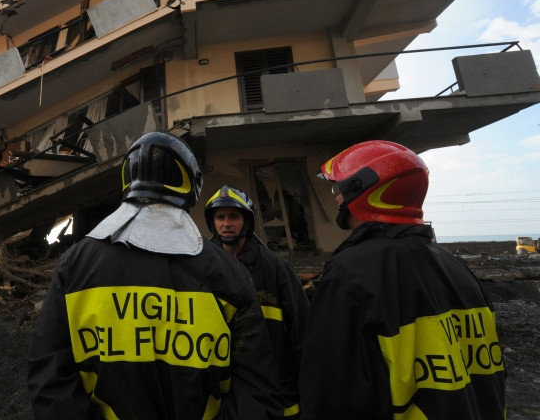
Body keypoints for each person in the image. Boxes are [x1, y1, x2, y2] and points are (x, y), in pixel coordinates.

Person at [27, 131, 283, 420]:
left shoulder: (75, 265)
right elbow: (257, 387)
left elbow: (50, 380)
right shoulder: (228, 272)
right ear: (191, 185)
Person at [299, 140, 506, 419]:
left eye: (339, 188)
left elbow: (332, 390)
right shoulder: (455, 267)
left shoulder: (351, 271)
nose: (336, 198)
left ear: (361, 189)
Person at [205, 185, 310, 418]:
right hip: (223, 389)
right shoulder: (204, 267)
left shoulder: (275, 268)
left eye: (233, 216)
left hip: (276, 390)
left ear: (247, 222)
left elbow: (302, 332)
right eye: (220, 217)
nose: (226, 223)